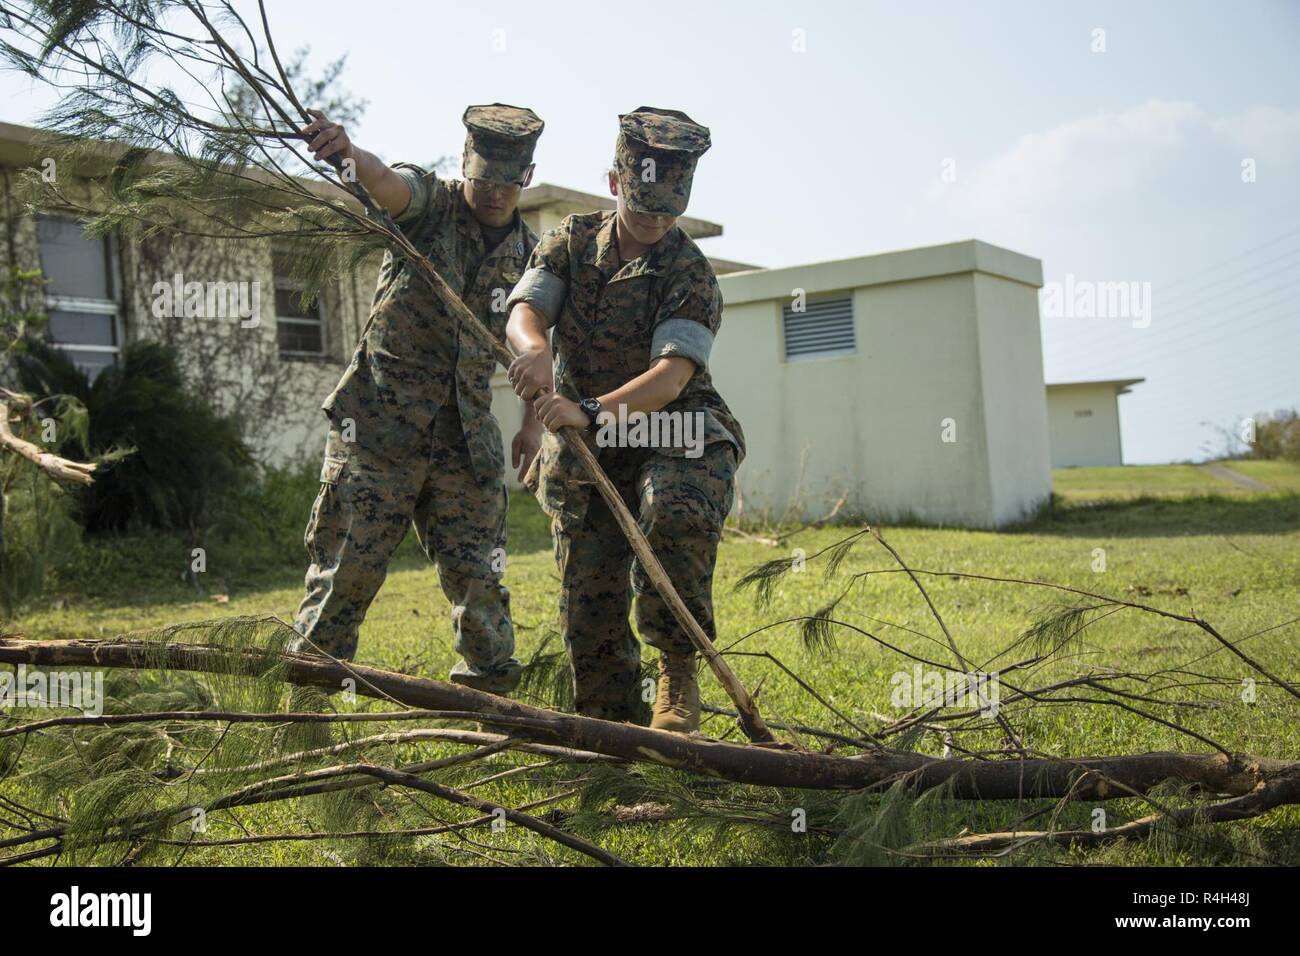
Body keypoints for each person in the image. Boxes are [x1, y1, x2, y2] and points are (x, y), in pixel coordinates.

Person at [288, 103, 544, 694]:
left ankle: (493, 708)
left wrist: (531, 424)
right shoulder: (429, 206)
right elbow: (384, 183)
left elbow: (538, 347)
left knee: (480, 581)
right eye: (484, 179)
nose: (495, 194)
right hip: (378, 432)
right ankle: (303, 719)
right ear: (464, 166)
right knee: (345, 576)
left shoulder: (531, 258)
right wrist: (347, 155)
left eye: (509, 182)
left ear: (526, 178)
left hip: (463, 442)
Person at [504, 107, 744, 731]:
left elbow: (671, 378)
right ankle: (612, 730)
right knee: (589, 586)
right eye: (643, 210)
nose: (653, 225)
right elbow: (526, 311)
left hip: (672, 429)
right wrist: (533, 351)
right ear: (615, 183)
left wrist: (588, 411)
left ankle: (677, 668)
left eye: (668, 213)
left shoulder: (690, 272)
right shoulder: (571, 240)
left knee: (673, 506)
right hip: (587, 437)